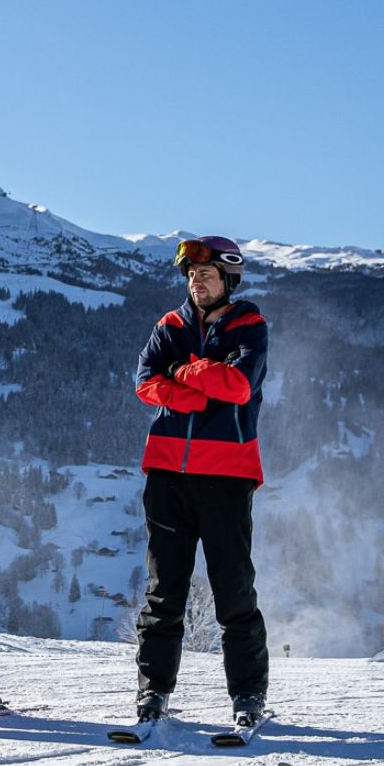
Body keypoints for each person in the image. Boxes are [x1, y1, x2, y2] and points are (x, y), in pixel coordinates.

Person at [130, 238, 270, 727]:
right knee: (163, 591)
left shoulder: (249, 325)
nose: (197, 281)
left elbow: (238, 387)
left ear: (229, 279)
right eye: (191, 274)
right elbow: (145, 382)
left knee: (233, 590)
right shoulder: (169, 326)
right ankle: (153, 693)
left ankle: (248, 696)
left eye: (207, 274)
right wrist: (193, 389)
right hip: (167, 474)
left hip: (227, 476)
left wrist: (184, 371)